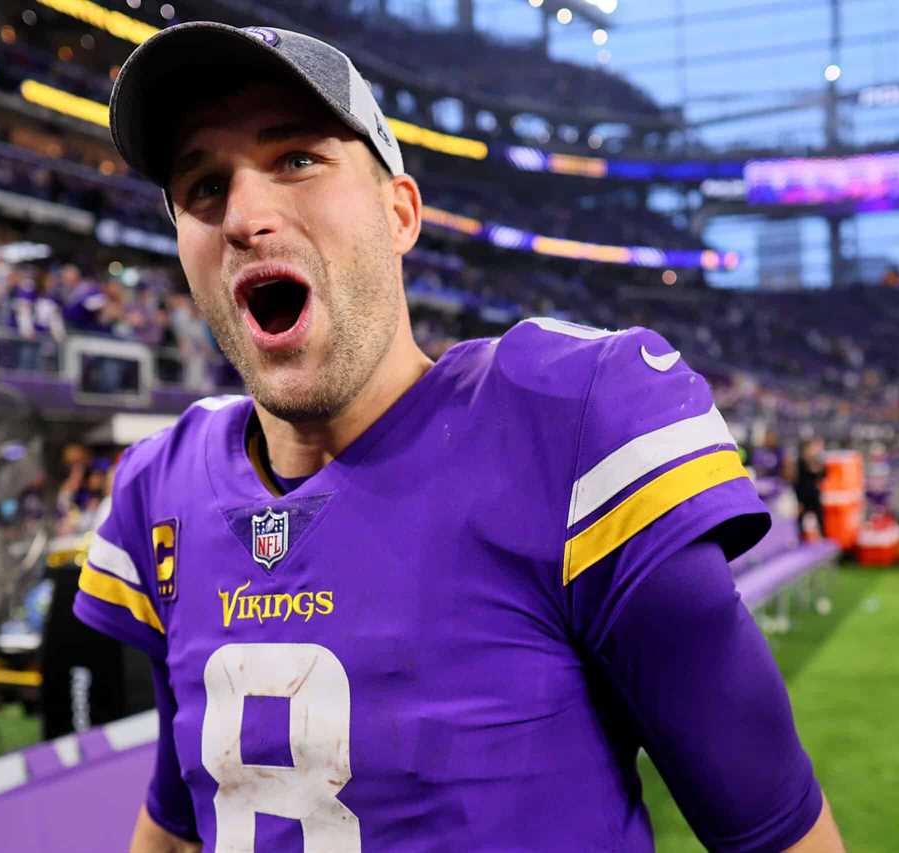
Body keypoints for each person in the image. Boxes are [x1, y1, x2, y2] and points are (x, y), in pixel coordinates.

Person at [73, 23, 844, 853]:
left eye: (297, 158)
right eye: (203, 188)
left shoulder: (569, 427)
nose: (246, 216)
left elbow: (776, 832)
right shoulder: (163, 489)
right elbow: (179, 814)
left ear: (399, 212)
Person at [794, 436, 826, 540]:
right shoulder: (800, 461)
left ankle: (823, 536)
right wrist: (798, 499)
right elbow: (797, 480)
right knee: (801, 517)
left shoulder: (816, 460)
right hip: (803, 494)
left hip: (813, 493)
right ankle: (800, 537)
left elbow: (823, 474)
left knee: (819, 515)